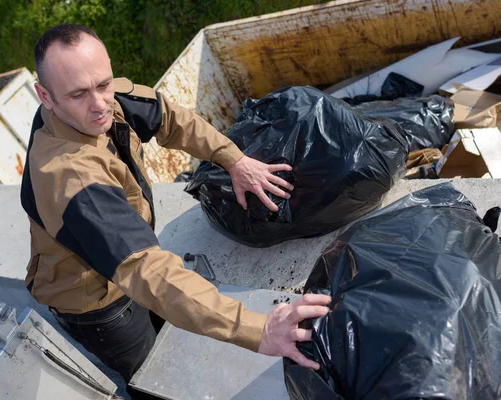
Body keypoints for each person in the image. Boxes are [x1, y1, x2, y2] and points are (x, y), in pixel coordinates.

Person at [21, 23, 331, 393]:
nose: (100, 104)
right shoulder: (70, 178)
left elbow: (170, 119)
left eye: (103, 84)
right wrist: (258, 328)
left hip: (126, 256)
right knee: (155, 381)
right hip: (96, 304)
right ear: (46, 96)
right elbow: (145, 270)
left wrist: (233, 160)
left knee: (172, 326)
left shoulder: (101, 102)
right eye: (79, 95)